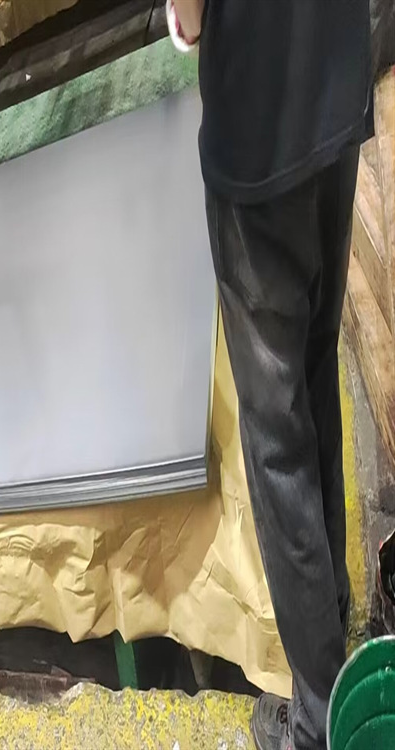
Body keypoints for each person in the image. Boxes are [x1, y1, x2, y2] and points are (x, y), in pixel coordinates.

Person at [169, 1, 373, 749]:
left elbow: (190, 16)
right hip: (335, 82)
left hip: (260, 131)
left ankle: (318, 715)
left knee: (277, 438)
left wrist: (185, 21)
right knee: (316, 364)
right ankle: (333, 630)